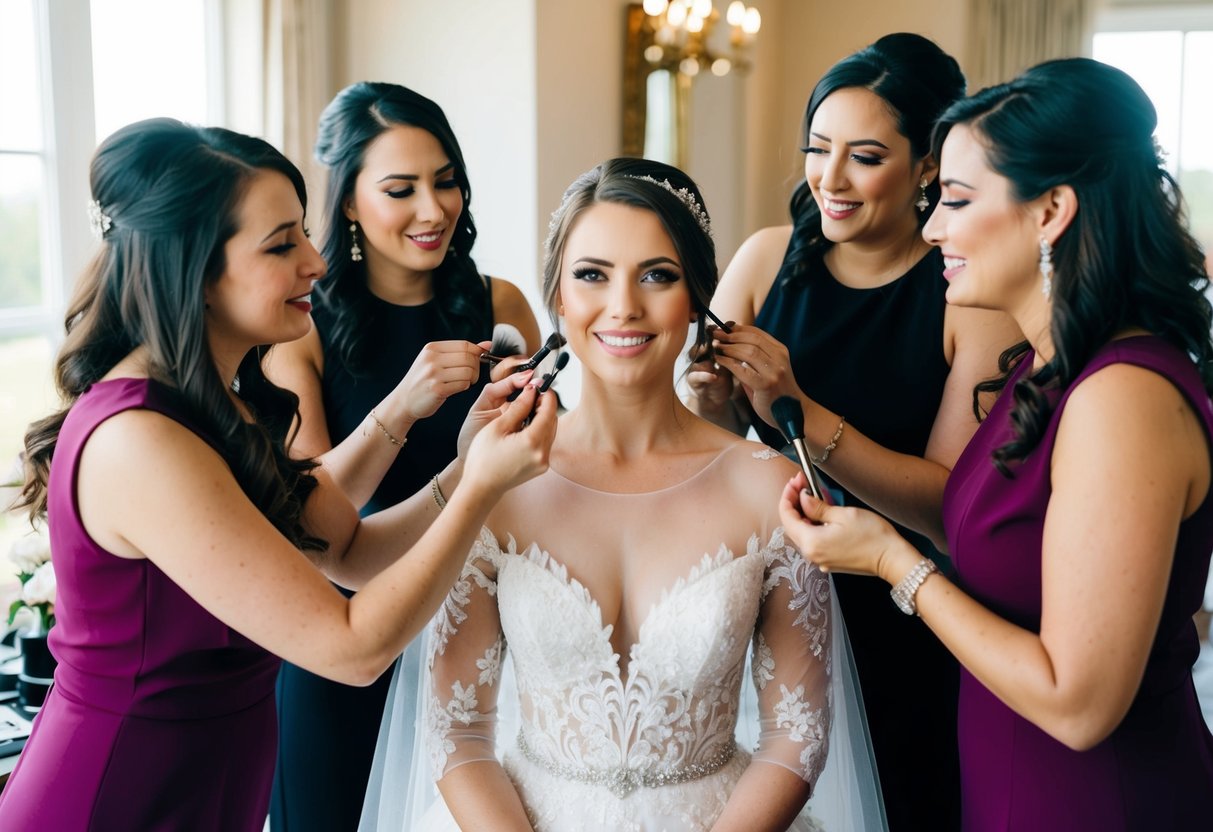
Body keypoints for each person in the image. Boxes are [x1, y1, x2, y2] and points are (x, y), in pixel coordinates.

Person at [0, 117, 556, 831]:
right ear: (195, 270)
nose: (316, 263)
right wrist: (480, 490)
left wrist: (464, 462)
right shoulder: (138, 438)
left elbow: (345, 550)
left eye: (304, 234)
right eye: (281, 244)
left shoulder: (213, 400)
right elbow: (353, 648)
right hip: (118, 799)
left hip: (211, 790)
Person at [360, 158, 887, 831]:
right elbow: (456, 732)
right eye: (591, 274)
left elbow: (796, 733)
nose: (623, 306)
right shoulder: (498, 480)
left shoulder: (767, 488)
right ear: (557, 296)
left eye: (657, 275)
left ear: (696, 298)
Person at [780, 58, 1213, 831]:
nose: (932, 227)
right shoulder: (1039, 368)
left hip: (1095, 802)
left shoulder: (1122, 399)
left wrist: (892, 563)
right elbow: (985, 533)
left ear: (1050, 211)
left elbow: (1078, 706)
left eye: (954, 199)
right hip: (1006, 783)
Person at [685, 33, 1020, 828]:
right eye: (817, 148)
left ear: (928, 166)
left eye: (864, 157)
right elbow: (708, 441)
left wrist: (798, 405)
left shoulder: (967, 297)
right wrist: (710, 399)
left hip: (903, 617)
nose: (828, 179)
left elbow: (944, 509)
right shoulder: (765, 259)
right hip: (766, 599)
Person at [263, 81, 542, 831]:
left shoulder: (501, 306)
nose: (432, 209)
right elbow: (315, 524)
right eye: (400, 190)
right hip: (349, 643)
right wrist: (402, 404)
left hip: (485, 643)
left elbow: (545, 472)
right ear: (350, 203)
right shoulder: (299, 327)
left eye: (445, 181)